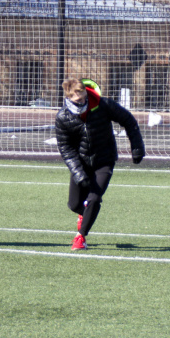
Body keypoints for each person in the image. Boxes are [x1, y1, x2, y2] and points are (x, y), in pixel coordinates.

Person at [55, 78, 145, 250]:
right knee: (74, 204)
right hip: (81, 163)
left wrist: (137, 147)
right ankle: (83, 214)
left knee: (94, 198)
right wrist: (79, 173)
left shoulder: (103, 105)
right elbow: (65, 148)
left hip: (104, 159)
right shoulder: (62, 117)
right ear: (68, 99)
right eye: (77, 100)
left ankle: (81, 237)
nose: (81, 102)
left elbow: (129, 120)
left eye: (83, 98)